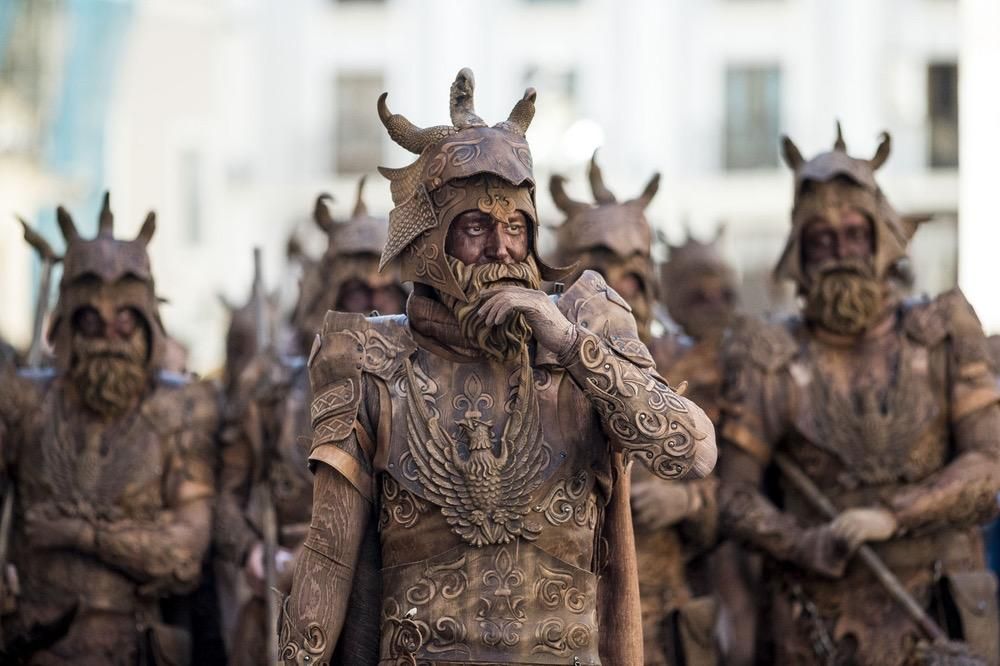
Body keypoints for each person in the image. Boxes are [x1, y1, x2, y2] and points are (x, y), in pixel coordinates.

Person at [278, 67, 716, 665]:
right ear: (432, 242)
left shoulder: (589, 323)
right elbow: (327, 561)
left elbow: (691, 451)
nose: (502, 248)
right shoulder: (368, 360)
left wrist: (567, 344)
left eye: (515, 227)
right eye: (476, 228)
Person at [719, 125, 1000, 664]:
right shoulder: (768, 355)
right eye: (822, 240)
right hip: (815, 623)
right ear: (800, 251)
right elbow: (734, 497)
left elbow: (988, 465)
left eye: (854, 235)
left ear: (881, 240)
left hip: (939, 609)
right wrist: (804, 543)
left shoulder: (944, 330)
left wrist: (895, 514)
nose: (841, 253)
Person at [0, 194, 217, 665]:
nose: (108, 340)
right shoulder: (22, 402)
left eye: (123, 324)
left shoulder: (179, 412)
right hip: (32, 642)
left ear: (146, 327)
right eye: (92, 323)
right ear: (69, 328)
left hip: (128, 645)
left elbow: (183, 556)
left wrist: (81, 535)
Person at [215, 177, 406, 666]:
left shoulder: (424, 386)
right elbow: (228, 500)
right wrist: (251, 553)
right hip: (287, 592)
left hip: (393, 598)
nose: (373, 305)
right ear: (329, 289)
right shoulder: (271, 385)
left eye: (386, 291)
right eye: (357, 291)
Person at [549, 154, 723, 665]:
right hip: (565, 618)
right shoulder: (535, 359)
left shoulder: (690, 361)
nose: (618, 290)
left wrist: (688, 503)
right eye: (603, 271)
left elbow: (735, 498)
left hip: (663, 620)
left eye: (632, 272)